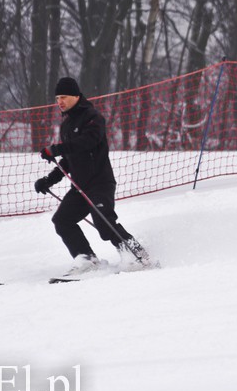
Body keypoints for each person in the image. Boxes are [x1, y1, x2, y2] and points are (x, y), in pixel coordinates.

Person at [34, 77, 152, 275]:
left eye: (63, 97)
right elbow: (68, 159)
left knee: (104, 223)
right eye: (57, 98)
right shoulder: (66, 125)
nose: (59, 102)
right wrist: (49, 180)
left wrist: (55, 149)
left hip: (100, 183)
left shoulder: (92, 117)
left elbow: (86, 142)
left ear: (75, 96)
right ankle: (87, 260)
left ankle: (138, 256)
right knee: (62, 220)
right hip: (80, 187)